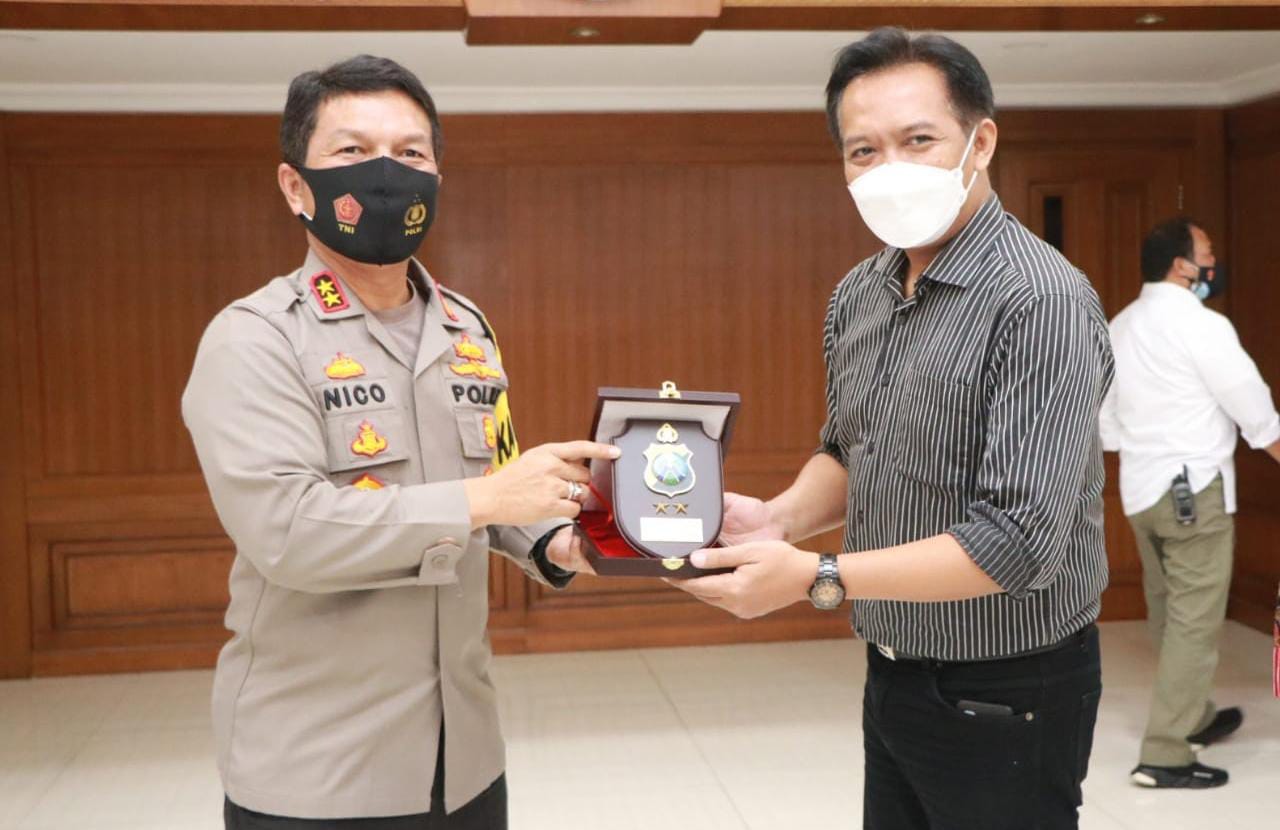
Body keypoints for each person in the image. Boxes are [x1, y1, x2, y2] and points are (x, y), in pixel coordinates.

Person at [673, 28, 1112, 829]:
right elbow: (852, 449)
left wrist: (816, 575)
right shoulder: (860, 294)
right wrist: (779, 520)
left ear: (980, 143)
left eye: (918, 140)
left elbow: (1019, 541)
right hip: (893, 667)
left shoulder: (1039, 300)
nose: (889, 168)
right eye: (863, 151)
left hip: (1010, 685)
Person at [182, 55, 611, 830]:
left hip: (466, 756)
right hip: (319, 769)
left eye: (411, 153)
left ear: (436, 179)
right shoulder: (255, 339)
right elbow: (288, 532)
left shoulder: (466, 327)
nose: (386, 172)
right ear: (295, 186)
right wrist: (484, 499)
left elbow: (497, 478)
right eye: (352, 150)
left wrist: (559, 541)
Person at [1099, 217, 1280, 788]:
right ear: (1182, 265)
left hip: (1141, 492)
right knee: (1194, 623)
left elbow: (1105, 423)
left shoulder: (1120, 326)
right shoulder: (1202, 325)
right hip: (1192, 492)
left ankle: (1195, 715)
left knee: (1168, 611)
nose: (1213, 261)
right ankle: (1166, 754)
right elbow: (1251, 405)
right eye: (1207, 251)